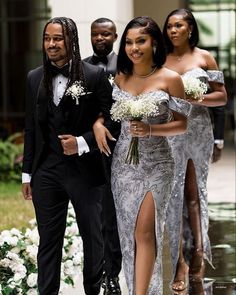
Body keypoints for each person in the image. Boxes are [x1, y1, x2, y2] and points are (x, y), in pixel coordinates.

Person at [93, 16, 190, 294]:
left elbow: (183, 124)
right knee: (128, 235)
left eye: (141, 41)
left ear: (155, 43)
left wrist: (150, 130)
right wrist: (98, 123)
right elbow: (107, 114)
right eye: (129, 42)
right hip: (124, 165)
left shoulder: (171, 79)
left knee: (145, 232)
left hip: (158, 164)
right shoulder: (120, 78)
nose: (133, 48)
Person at [21, 16, 118, 295]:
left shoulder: (95, 76)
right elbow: (31, 128)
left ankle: (92, 290)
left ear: (71, 41)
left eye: (58, 38)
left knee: (93, 237)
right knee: (48, 240)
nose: (51, 44)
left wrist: (83, 142)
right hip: (46, 171)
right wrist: (28, 174)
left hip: (85, 170)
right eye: (47, 38)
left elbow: (114, 119)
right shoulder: (34, 77)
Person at [162, 8, 227, 292]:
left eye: (178, 26)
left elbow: (222, 96)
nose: (172, 31)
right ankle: (179, 263)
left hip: (198, 130)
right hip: (170, 132)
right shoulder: (159, 59)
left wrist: (196, 97)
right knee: (173, 197)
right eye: (169, 27)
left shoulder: (204, 57)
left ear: (190, 28)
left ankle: (198, 254)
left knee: (194, 194)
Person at [84, 18, 122, 295]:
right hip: (87, 150)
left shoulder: (124, 65)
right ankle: (94, 274)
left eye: (105, 33)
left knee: (112, 215)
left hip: (117, 146)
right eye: (95, 34)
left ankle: (113, 274)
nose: (100, 38)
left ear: (114, 35)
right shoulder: (80, 66)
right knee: (92, 216)